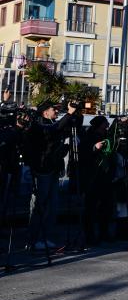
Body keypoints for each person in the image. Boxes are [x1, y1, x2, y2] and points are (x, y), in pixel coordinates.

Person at [22, 100, 80, 251]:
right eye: (53, 109)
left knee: (52, 206)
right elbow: (55, 129)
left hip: (52, 169)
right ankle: (33, 239)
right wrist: (69, 114)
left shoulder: (51, 123)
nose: (56, 112)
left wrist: (74, 114)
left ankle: (45, 237)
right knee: (40, 206)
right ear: (45, 112)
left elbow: (63, 128)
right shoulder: (39, 125)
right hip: (42, 171)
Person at [78, 115, 114, 245]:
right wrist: (94, 148)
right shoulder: (89, 137)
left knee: (106, 207)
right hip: (92, 177)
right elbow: (83, 154)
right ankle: (90, 235)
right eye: (105, 123)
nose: (107, 126)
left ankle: (104, 233)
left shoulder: (108, 136)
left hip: (106, 176)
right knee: (91, 208)